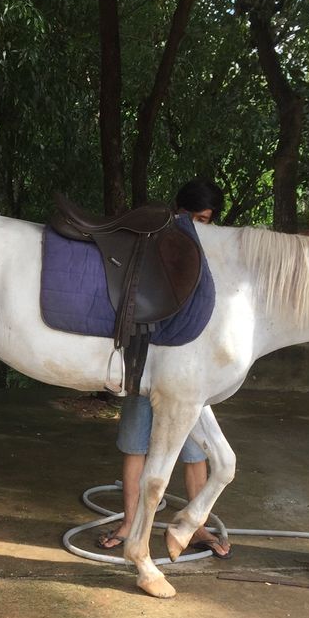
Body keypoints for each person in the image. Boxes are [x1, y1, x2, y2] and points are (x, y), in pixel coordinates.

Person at [97, 179, 230, 558]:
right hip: (148, 362)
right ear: (178, 211)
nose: (197, 226)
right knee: (137, 447)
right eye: (193, 217)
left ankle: (197, 525)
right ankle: (128, 522)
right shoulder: (153, 243)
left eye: (205, 220)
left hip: (187, 370)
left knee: (194, 452)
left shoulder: (209, 257)